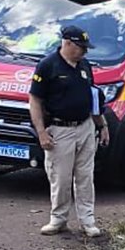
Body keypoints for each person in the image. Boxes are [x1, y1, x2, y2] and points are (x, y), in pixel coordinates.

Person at [29, 25, 109, 238]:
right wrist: (41, 133)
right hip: (60, 129)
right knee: (60, 178)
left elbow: (93, 98)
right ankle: (58, 219)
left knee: (85, 177)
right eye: (81, 47)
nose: (85, 51)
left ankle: (87, 220)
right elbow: (35, 101)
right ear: (67, 43)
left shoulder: (84, 65)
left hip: (85, 126)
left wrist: (102, 125)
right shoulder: (48, 66)